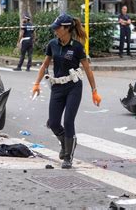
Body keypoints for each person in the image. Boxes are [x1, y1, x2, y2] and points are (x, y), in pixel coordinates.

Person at [31, 14, 102, 169]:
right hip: (57, 87)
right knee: (54, 122)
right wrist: (36, 83)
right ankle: (65, 142)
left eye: (58, 28)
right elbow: (44, 65)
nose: (55, 30)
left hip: (73, 87)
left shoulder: (77, 47)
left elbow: (88, 69)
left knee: (68, 121)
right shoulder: (52, 44)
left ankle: (68, 157)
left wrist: (94, 91)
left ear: (66, 28)